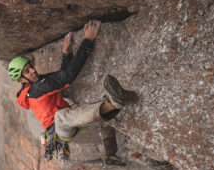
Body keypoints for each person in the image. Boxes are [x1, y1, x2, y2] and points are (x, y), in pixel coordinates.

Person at [8, 20, 138, 160]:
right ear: (22, 80)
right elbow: (68, 77)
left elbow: (62, 76)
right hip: (60, 130)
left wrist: (65, 53)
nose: (33, 70)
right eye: (27, 72)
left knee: (88, 115)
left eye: (30, 67)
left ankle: (111, 156)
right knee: (60, 116)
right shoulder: (36, 90)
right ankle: (112, 104)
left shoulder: (37, 83)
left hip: (67, 124)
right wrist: (88, 40)